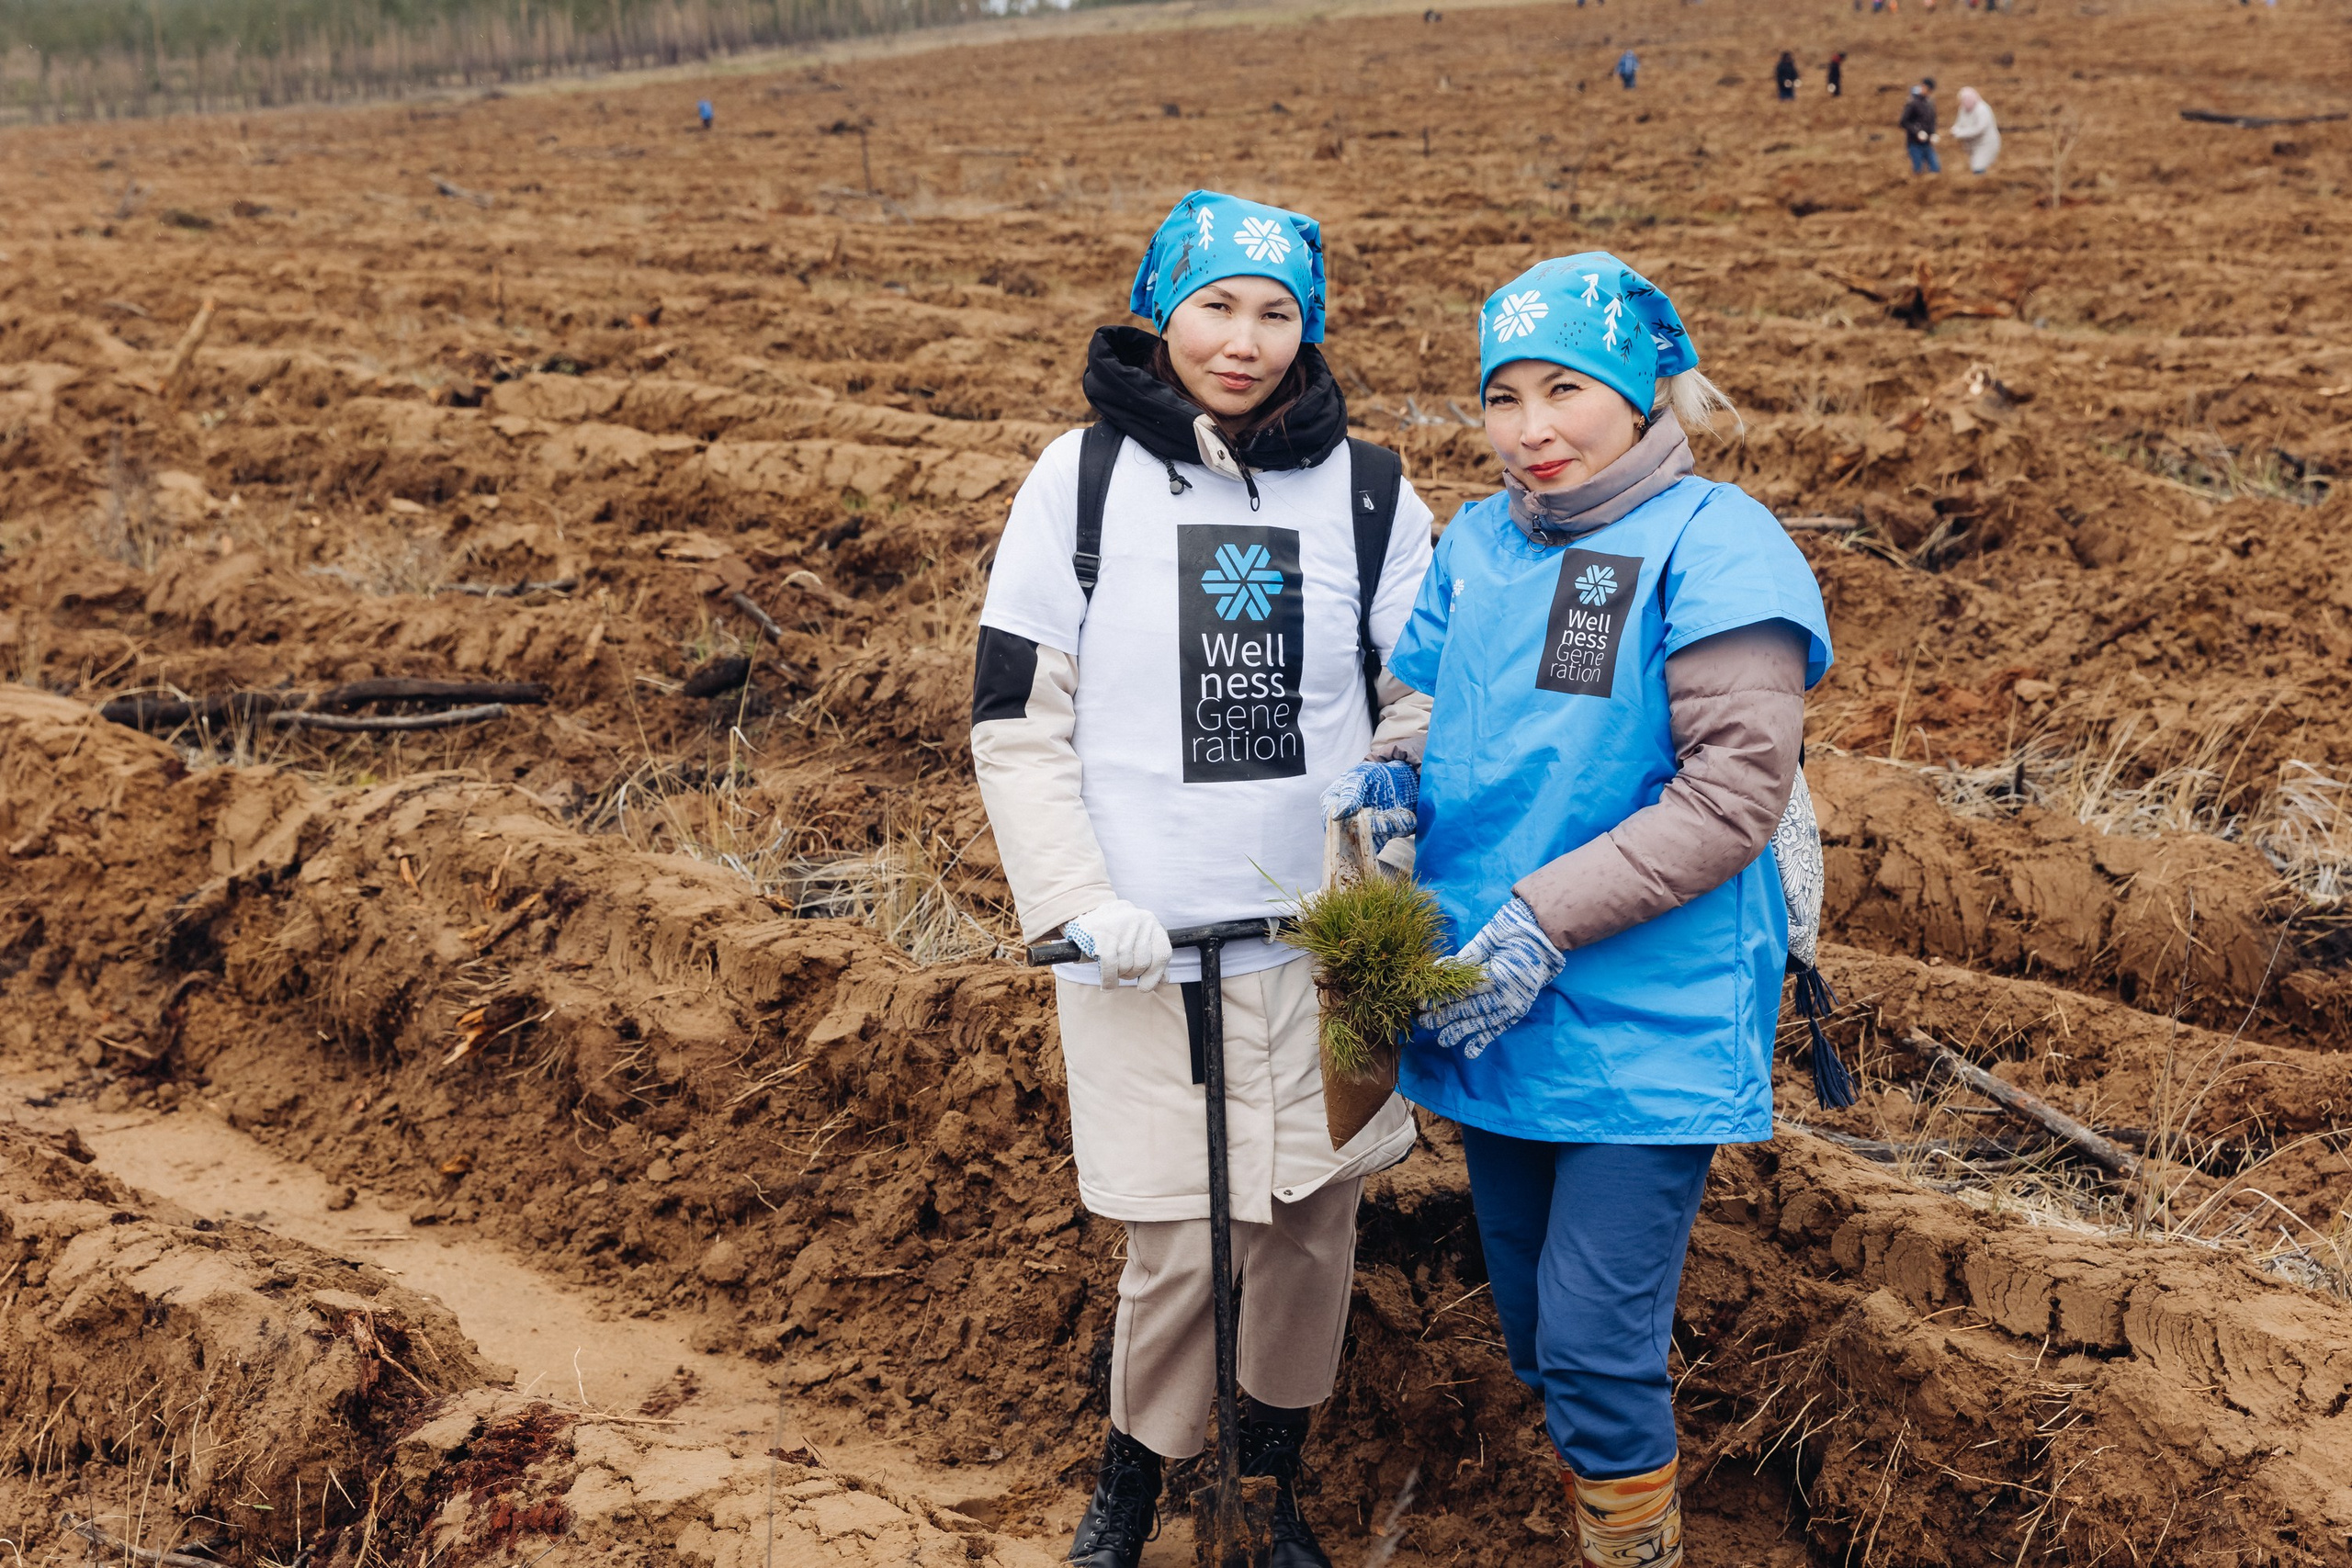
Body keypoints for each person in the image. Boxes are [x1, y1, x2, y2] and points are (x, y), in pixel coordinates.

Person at [970, 189, 1437, 1568]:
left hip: (1326, 932)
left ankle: (1266, 1485)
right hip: (1145, 938)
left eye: (1277, 311)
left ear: (1312, 326)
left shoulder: (1368, 486)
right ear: (1162, 306)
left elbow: (1418, 689)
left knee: (1309, 1223)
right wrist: (1072, 899)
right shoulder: (1084, 478)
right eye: (1216, 306)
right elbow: (1016, 708)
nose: (1244, 339)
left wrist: (1395, 790)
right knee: (1179, 1240)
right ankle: (1133, 1483)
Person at [1357, 254, 1833, 1568]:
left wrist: (1545, 915)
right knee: (1528, 1317)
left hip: (1645, 1005)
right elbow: (1428, 691)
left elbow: (1736, 790)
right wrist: (1398, 763)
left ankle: (1636, 1543)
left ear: (1636, 394)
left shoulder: (1717, 538)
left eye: (1566, 388)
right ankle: (1605, 1482)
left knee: (1590, 1336)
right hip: (1495, 1000)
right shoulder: (1479, 539)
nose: (1531, 427)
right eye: (1504, 395)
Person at [1951, 85, 2000, 173]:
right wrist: (1955, 130)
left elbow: (1980, 129)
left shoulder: (1982, 109)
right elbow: (1959, 123)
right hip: (1973, 144)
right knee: (1975, 165)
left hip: (1985, 143)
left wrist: (1961, 133)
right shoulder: (1963, 109)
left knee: (1979, 166)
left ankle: (1982, 183)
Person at [1901, 78, 1940, 174]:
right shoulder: (1912, 103)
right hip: (1914, 144)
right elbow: (1903, 122)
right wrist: (1917, 131)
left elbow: (1932, 122)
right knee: (1918, 171)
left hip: (1927, 143)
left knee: (1936, 168)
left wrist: (1933, 134)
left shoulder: (1930, 104)